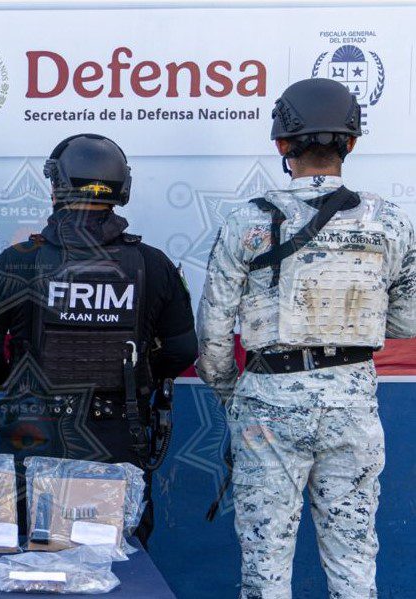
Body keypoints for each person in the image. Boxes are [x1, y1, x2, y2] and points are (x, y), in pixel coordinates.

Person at [197, 78, 416, 598]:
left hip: (267, 405)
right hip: (352, 404)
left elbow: (213, 337)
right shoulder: (391, 222)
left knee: (266, 564)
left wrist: (235, 396)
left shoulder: (246, 221)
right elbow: (407, 322)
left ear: (281, 144)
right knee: (353, 560)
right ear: (351, 142)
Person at [0, 133, 196, 546]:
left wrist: (18, 383)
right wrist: (135, 381)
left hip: (35, 430)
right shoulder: (153, 263)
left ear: (56, 187)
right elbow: (181, 350)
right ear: (122, 188)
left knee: (30, 549)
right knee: (118, 554)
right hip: (118, 431)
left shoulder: (17, 261)